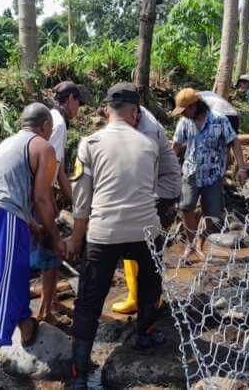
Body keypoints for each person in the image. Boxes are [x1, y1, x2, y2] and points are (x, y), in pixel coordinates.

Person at [66, 83, 165, 389]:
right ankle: (143, 336)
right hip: (145, 230)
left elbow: (81, 202)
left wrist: (76, 239)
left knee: (89, 301)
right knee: (151, 283)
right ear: (135, 114)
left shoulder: (90, 143)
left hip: (104, 232)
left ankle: (78, 373)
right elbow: (150, 189)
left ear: (107, 111)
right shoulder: (150, 144)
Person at [0, 103, 64, 387]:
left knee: (16, 273)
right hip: (4, 214)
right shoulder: (43, 147)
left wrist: (32, 227)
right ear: (46, 126)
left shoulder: (9, 142)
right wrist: (54, 236)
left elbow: (10, 188)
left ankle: (25, 324)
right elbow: (42, 199)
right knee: (10, 283)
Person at [111, 103, 182, 315]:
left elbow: (146, 175)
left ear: (133, 113)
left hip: (162, 190)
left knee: (147, 244)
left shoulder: (147, 132)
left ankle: (148, 299)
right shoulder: (132, 118)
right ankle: (140, 295)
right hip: (152, 187)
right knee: (136, 242)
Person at [172, 88, 248, 261]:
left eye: (184, 111)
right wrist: (167, 168)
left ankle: (200, 243)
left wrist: (242, 168)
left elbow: (234, 142)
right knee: (186, 208)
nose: (182, 114)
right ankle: (190, 247)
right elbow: (176, 145)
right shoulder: (185, 122)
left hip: (214, 176)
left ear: (193, 106)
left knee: (213, 216)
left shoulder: (219, 121)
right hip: (191, 173)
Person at [32, 81, 84, 324]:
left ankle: (49, 300)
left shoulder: (50, 117)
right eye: (79, 103)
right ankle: (45, 312)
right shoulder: (59, 124)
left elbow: (60, 171)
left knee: (46, 253)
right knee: (52, 252)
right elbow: (53, 168)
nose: (79, 108)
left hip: (36, 190)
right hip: (39, 193)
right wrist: (74, 205)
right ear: (70, 99)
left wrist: (76, 201)